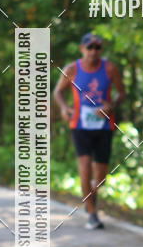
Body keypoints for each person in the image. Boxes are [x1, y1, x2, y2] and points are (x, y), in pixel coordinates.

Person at [53, 33, 125, 230]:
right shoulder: (71, 69)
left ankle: (92, 194)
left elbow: (122, 92)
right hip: (80, 125)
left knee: (99, 178)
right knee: (84, 169)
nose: (93, 51)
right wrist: (64, 108)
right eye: (89, 47)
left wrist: (111, 105)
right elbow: (58, 91)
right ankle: (92, 213)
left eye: (97, 47)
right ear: (81, 49)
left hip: (104, 126)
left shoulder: (109, 68)